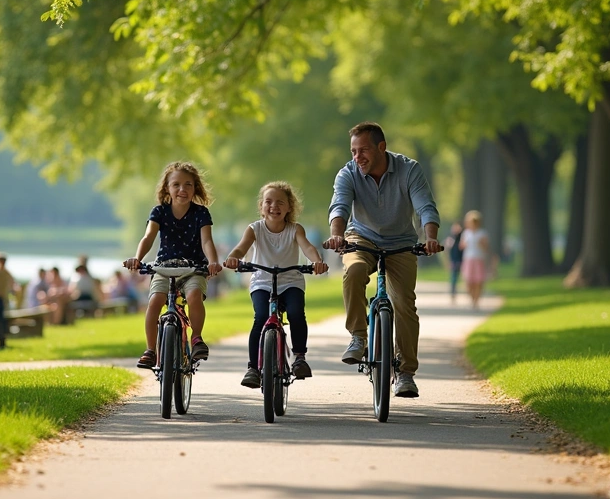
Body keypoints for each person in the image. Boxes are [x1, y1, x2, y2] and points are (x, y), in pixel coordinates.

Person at [325, 122, 442, 399]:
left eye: (363, 150)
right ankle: (358, 336)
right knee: (353, 271)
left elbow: (425, 206)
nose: (357, 157)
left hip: (401, 242)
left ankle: (405, 373)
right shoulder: (348, 172)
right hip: (361, 238)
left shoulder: (409, 169)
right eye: (354, 151)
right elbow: (339, 205)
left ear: (381, 147)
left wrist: (430, 238)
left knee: (403, 304)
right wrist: (336, 235)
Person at [223, 181, 329, 389]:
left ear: (289, 207)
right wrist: (233, 258)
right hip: (262, 282)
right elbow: (240, 249)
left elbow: (307, 247)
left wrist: (315, 261)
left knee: (296, 312)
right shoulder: (255, 229)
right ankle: (253, 368)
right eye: (268, 202)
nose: (274, 206)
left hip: (290, 281)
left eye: (280, 202)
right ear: (261, 207)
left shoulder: (294, 229)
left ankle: (299, 357)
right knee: (260, 317)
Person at [123, 161, 223, 368]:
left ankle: (196, 338)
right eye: (176, 184)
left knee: (194, 295)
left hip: (193, 268)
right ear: (167, 188)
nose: (182, 189)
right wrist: (138, 258)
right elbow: (148, 237)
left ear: (195, 188)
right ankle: (151, 350)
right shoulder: (159, 212)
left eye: (188, 184)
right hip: (164, 267)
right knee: (155, 302)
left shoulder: (201, 213)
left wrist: (213, 262)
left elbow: (206, 241)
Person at [460, 210, 492, 310]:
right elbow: (461, 246)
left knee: (478, 281)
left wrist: (481, 245)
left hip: (479, 259)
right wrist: (464, 244)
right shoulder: (466, 233)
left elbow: (486, 248)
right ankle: (472, 298)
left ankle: (476, 301)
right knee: (469, 281)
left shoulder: (482, 233)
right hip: (468, 259)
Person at [445, 221, 465, 304]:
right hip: (454, 261)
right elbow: (447, 252)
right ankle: (453, 295)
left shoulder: (463, 238)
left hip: (462, 261)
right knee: (453, 279)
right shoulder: (450, 239)